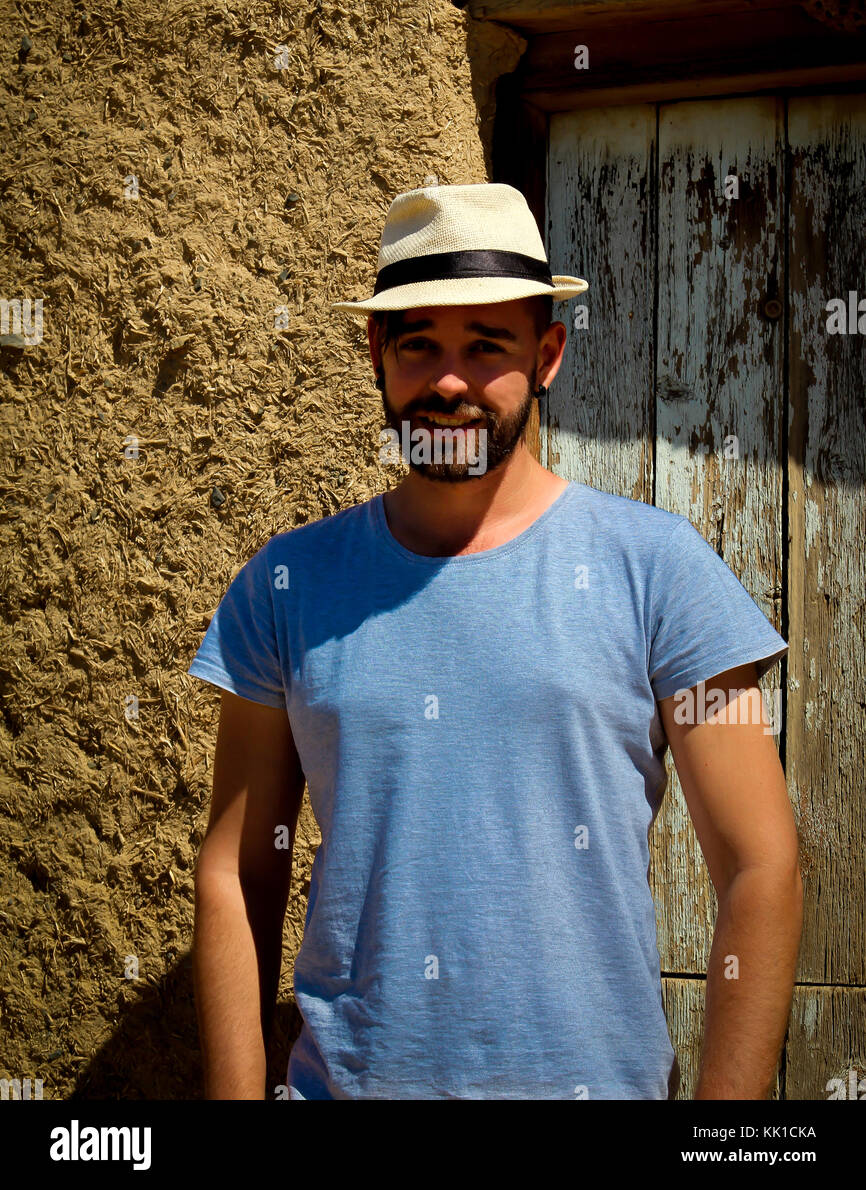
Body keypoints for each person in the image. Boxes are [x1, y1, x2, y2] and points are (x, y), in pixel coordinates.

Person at [188, 182, 802, 1100]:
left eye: (487, 347)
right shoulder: (287, 585)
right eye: (419, 344)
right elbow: (238, 870)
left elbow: (762, 864)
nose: (448, 380)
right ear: (376, 355)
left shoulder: (659, 572)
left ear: (547, 355)